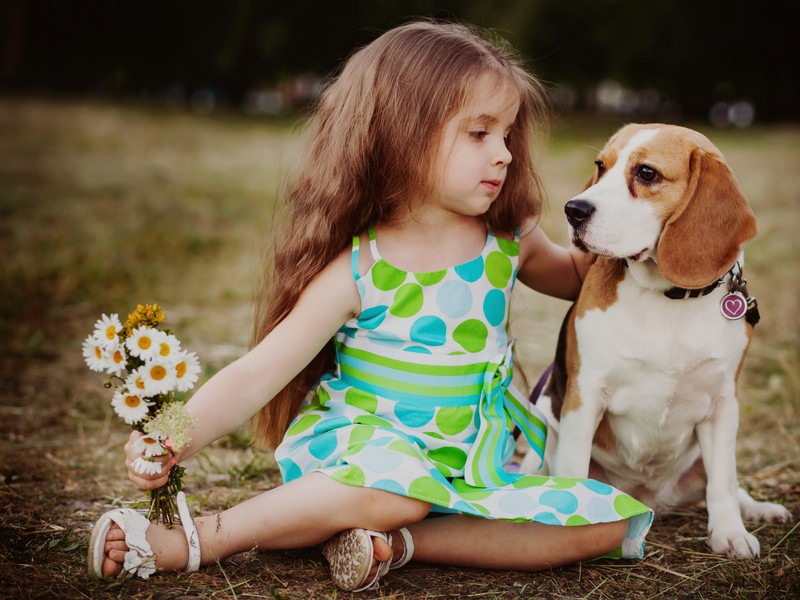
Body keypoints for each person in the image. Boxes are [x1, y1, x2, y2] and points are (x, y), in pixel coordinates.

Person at [88, 20, 653, 592]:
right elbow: (257, 373)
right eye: (480, 133)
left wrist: (631, 222)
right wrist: (170, 434)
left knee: (610, 520)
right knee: (396, 489)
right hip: (366, 458)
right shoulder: (358, 269)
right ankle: (205, 537)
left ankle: (395, 545)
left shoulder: (509, 240)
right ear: (401, 134)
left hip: (470, 465)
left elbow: (582, 276)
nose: (505, 154)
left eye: (507, 135)